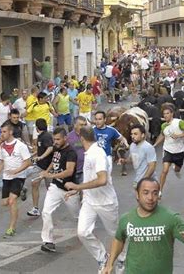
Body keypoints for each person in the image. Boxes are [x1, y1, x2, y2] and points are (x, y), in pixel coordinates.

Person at [102, 177, 184, 274]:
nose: (150, 198)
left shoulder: (171, 218)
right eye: (145, 193)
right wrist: (109, 264)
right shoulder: (126, 219)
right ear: (137, 194)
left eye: (155, 193)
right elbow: (118, 239)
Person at [64, 126, 125, 273]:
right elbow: (90, 178)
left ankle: (122, 258)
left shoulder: (97, 153)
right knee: (83, 232)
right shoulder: (89, 153)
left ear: (82, 138)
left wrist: (77, 186)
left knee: (114, 233)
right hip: (90, 201)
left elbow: (102, 180)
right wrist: (78, 190)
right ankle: (103, 257)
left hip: (106, 202)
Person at [37, 127, 80, 253]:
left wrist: (50, 176)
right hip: (56, 186)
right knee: (46, 212)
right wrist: (47, 170)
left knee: (77, 215)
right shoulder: (57, 148)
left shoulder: (71, 152)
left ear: (65, 138)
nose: (55, 142)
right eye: (54, 139)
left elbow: (69, 171)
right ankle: (48, 241)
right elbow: (54, 161)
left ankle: (85, 228)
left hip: (69, 189)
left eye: (57, 139)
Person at [0, 122, 32, 237]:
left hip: (19, 177)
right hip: (7, 177)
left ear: (10, 132)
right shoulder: (2, 146)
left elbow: (28, 162)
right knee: (5, 203)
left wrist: (16, 171)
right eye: (1, 132)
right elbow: (1, 162)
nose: (2, 134)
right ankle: (22, 190)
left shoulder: (20, 145)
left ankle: (12, 228)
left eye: (4, 132)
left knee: (12, 201)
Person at [153, 104, 184, 194]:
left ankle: (176, 169)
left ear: (172, 114)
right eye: (164, 114)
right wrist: (155, 144)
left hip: (179, 151)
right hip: (167, 150)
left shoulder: (179, 122)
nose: (166, 115)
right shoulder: (163, 125)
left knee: (177, 169)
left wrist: (179, 136)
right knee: (165, 170)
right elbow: (162, 135)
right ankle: (160, 191)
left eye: (167, 113)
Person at [27, 119, 54, 217]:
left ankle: (51, 208)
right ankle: (35, 208)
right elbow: (40, 149)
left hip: (49, 168)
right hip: (40, 166)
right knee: (34, 183)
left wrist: (41, 157)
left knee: (51, 189)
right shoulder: (40, 137)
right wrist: (33, 154)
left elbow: (50, 148)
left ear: (37, 128)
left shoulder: (46, 136)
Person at [118, 124, 157, 189]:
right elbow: (131, 158)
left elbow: (152, 166)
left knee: (147, 199)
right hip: (137, 179)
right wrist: (124, 161)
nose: (132, 136)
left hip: (149, 181)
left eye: (135, 134)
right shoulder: (132, 145)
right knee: (138, 199)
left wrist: (144, 180)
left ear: (142, 135)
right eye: (131, 134)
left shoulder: (148, 147)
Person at [66, 116, 88, 184]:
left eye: (85, 125)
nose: (83, 127)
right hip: (72, 171)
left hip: (85, 170)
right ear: (75, 125)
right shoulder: (68, 137)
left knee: (83, 191)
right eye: (81, 125)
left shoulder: (89, 136)